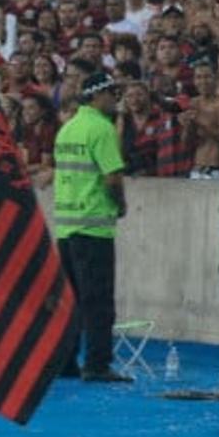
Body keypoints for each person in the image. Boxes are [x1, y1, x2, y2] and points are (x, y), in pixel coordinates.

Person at [52, 72, 130, 382]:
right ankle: (97, 363)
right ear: (97, 96)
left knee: (69, 299)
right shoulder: (101, 129)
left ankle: (65, 361)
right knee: (97, 300)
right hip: (93, 226)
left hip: (66, 227)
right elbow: (112, 177)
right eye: (111, 92)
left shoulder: (68, 128)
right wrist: (120, 205)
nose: (115, 98)